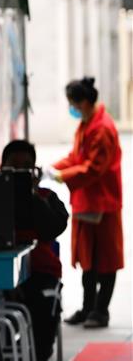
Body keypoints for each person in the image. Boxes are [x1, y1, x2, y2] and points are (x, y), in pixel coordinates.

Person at [48, 77, 123, 329]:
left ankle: (101, 310)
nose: (72, 108)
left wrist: (62, 175)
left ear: (84, 102)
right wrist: (52, 168)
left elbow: (93, 168)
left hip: (103, 204)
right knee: (87, 260)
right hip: (85, 203)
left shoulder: (102, 128)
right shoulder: (87, 124)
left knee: (106, 260)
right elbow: (76, 157)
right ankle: (88, 306)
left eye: (73, 104)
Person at [1, 140, 68, 361]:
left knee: (42, 308)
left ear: (35, 171)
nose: (20, 172)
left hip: (40, 274)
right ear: (3, 169)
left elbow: (53, 228)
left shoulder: (47, 198)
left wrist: (32, 196)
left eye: (26, 167)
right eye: (14, 167)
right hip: (0, 275)